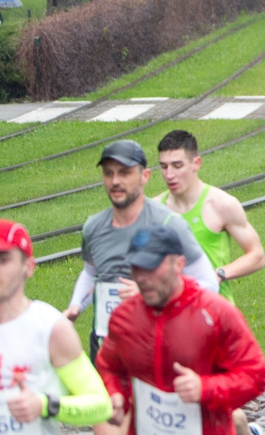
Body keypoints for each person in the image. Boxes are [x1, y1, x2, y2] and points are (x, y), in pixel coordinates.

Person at [94, 221, 265, 435]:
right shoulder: (124, 317)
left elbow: (256, 374)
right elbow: (109, 367)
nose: (143, 278)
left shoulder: (215, 314)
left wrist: (205, 388)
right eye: (136, 268)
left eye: (152, 268)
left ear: (179, 264)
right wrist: (116, 394)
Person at [66, 141, 217, 362]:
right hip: (107, 352)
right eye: (109, 173)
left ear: (144, 176)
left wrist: (152, 291)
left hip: (159, 351)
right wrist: (76, 306)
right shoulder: (93, 227)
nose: (116, 181)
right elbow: (91, 274)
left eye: (125, 173)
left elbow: (208, 283)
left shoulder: (169, 224)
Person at [0, 221, 113, 435]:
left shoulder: (50, 327)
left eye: (3, 260)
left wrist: (45, 405)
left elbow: (100, 406)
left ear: (29, 267)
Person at [154, 130, 265, 302]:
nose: (169, 175)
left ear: (196, 163)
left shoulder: (221, 204)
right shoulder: (154, 209)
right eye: (164, 167)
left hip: (213, 311)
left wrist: (220, 274)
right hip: (168, 312)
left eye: (177, 166)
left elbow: (257, 255)